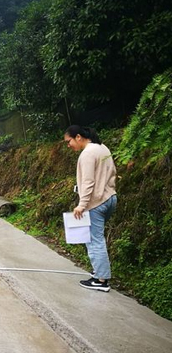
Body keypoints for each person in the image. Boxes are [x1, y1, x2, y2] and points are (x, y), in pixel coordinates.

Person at [64, 125, 117, 292]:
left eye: (69, 141)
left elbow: (88, 182)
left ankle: (101, 280)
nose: (68, 145)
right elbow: (112, 172)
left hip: (96, 202)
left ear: (78, 137)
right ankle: (99, 272)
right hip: (110, 198)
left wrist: (82, 205)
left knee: (94, 240)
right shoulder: (102, 148)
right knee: (96, 238)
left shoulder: (87, 154)